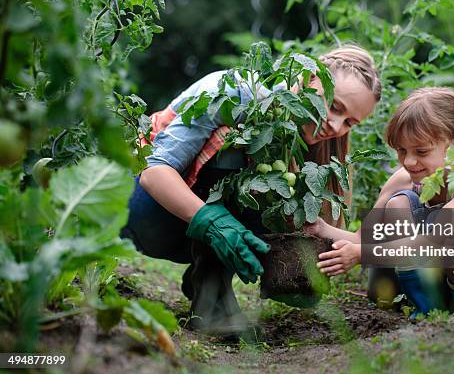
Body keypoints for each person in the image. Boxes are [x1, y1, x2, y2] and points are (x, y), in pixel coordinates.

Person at [120, 44, 381, 335]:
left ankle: (206, 283)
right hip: (142, 210)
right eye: (334, 107)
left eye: (350, 122)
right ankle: (213, 304)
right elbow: (153, 173)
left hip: (189, 229)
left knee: (276, 184)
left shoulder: (307, 143)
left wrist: (341, 248)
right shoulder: (237, 94)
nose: (335, 125)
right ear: (309, 79)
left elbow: (333, 231)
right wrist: (212, 221)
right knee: (236, 140)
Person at [306, 87, 454, 315]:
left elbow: (436, 241)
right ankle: (425, 308)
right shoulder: (404, 179)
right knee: (398, 204)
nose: (409, 162)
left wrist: (361, 254)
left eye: (421, 151)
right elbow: (361, 238)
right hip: (442, 276)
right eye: (402, 150)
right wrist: (320, 228)